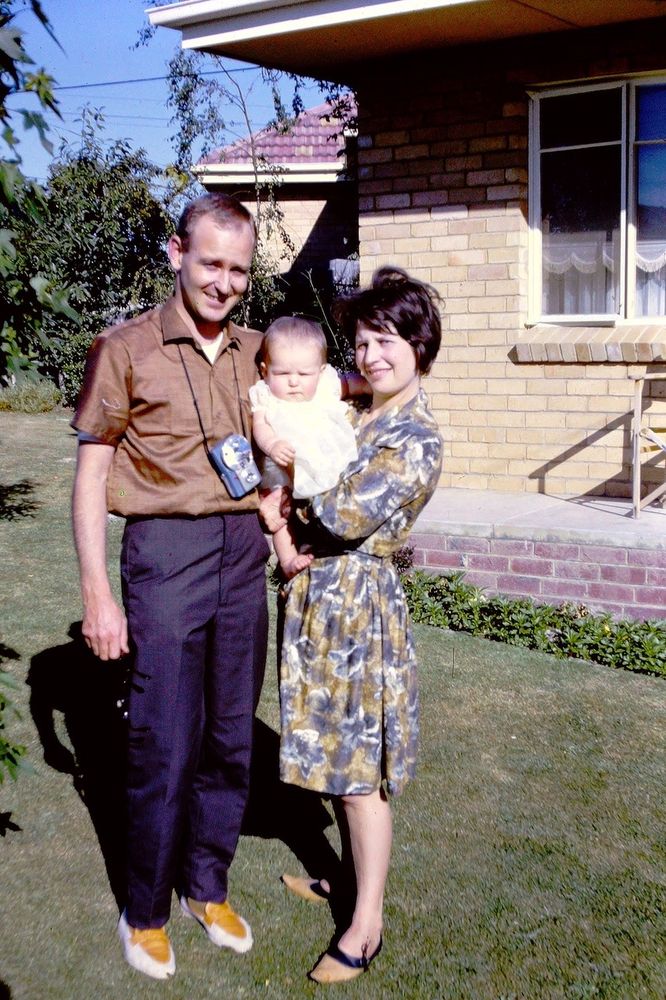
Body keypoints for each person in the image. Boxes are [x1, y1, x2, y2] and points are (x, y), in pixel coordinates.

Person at [71, 192, 269, 981]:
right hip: (166, 554)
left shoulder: (259, 350)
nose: (223, 282)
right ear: (175, 253)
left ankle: (207, 883)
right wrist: (97, 592)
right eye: (210, 262)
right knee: (162, 738)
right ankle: (146, 908)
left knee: (230, 731)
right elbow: (91, 474)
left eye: (239, 270)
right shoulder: (125, 348)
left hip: (242, 550)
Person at [261, 266, 443, 984]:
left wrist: (281, 478)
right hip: (322, 598)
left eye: (387, 340)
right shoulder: (365, 412)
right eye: (363, 341)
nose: (370, 355)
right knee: (338, 762)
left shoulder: (415, 436)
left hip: (358, 608)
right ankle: (346, 881)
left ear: (419, 346)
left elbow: (339, 514)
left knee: (360, 774)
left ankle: (365, 927)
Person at [249, 315, 361, 577]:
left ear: (321, 372)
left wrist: (371, 389)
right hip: (283, 468)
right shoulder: (264, 394)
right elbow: (260, 425)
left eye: (303, 373)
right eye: (282, 373)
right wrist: (272, 443)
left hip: (323, 464)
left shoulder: (327, 386)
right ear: (265, 370)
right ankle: (288, 559)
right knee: (280, 517)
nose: (293, 381)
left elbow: (354, 384)